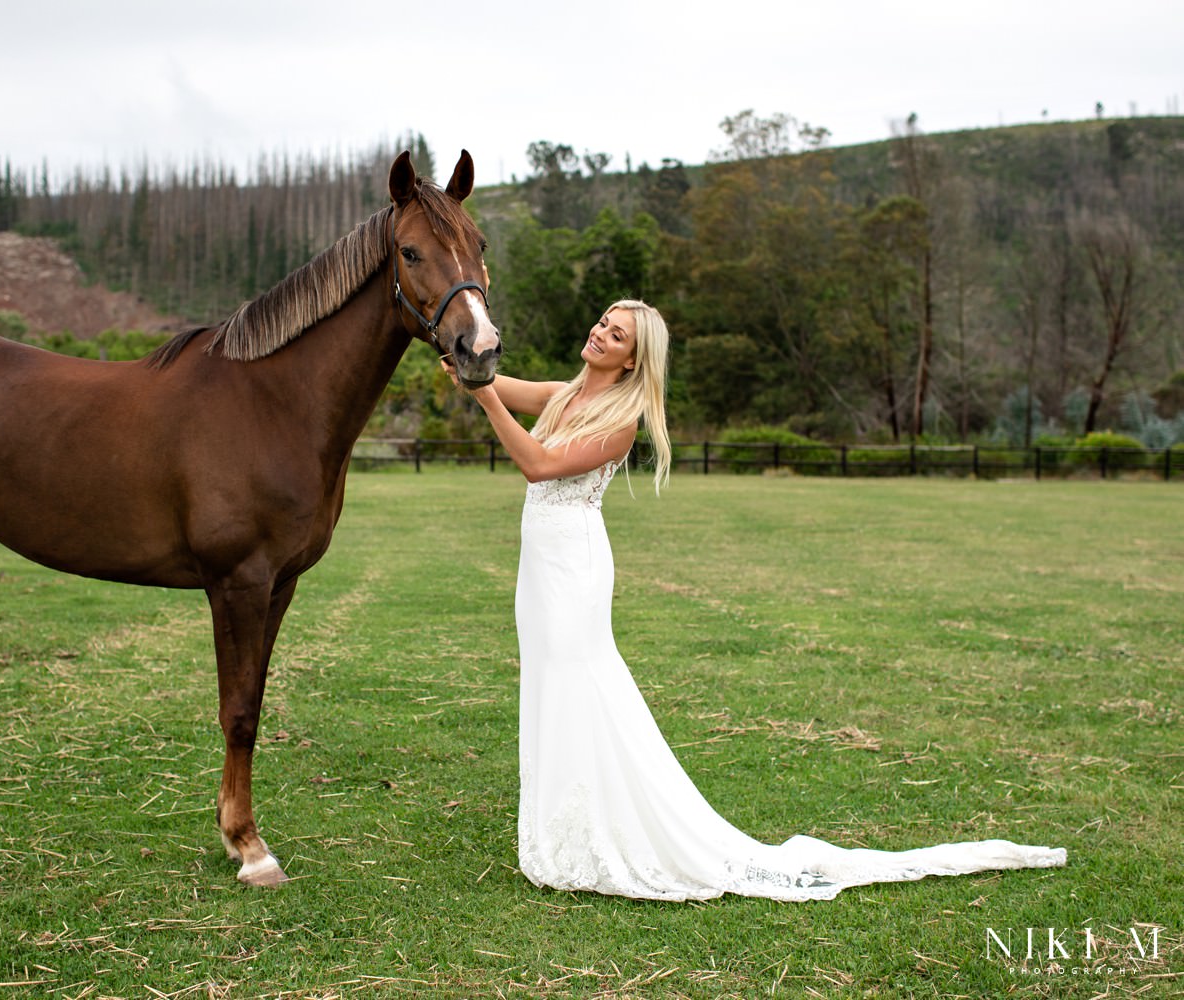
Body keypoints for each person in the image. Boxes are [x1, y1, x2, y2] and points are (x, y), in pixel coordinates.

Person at [447, 299, 1066, 901]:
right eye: (603, 323)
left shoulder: (618, 422)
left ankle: (607, 828)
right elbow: (503, 381)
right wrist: (465, 352)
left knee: (581, 684)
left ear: (633, 361)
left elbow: (535, 462)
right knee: (552, 684)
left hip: (574, 571)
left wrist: (481, 395)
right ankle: (566, 825)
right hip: (541, 567)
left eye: (616, 335)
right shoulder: (565, 393)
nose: (600, 333)